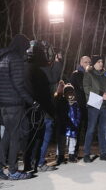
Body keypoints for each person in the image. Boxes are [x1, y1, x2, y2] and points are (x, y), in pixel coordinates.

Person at [0, 34, 34, 180]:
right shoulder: (15, 58)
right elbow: (18, 84)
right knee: (15, 137)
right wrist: (31, 101)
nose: (26, 52)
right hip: (14, 103)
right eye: (25, 48)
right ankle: (13, 171)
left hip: (3, 103)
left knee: (8, 134)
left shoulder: (0, 58)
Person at [23, 42, 62, 172]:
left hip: (33, 107)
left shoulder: (28, 65)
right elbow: (53, 77)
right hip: (42, 108)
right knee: (43, 136)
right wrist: (57, 62)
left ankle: (32, 162)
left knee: (35, 137)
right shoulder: (38, 67)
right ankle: (39, 162)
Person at [83, 55, 106, 162]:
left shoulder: (105, 76)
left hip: (105, 105)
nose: (101, 63)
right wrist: (102, 94)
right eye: (99, 62)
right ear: (94, 63)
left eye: (102, 61)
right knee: (91, 129)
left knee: (103, 129)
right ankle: (86, 154)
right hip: (94, 104)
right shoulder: (88, 74)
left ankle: (103, 153)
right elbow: (87, 88)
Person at [70, 56, 91, 158]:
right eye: (85, 62)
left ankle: (86, 152)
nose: (88, 64)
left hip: (88, 106)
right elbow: (81, 87)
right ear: (81, 63)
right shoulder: (76, 74)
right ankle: (73, 151)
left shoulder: (90, 74)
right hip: (78, 106)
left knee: (88, 128)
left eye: (89, 62)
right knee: (76, 129)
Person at [55, 82, 81, 163]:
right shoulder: (63, 102)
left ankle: (71, 155)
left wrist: (77, 122)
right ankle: (60, 155)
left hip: (74, 125)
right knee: (63, 141)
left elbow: (79, 114)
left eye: (71, 92)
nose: (70, 94)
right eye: (68, 92)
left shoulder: (76, 104)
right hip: (65, 125)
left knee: (73, 140)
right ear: (65, 94)